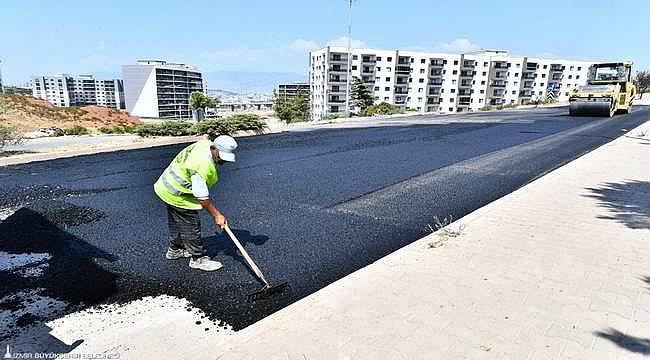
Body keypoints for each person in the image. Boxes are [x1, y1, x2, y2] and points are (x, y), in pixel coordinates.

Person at [153, 135, 238, 271]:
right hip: (177, 193)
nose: (223, 160)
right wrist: (217, 215)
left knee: (177, 222)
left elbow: (205, 138)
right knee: (190, 225)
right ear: (213, 148)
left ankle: (175, 249)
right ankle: (198, 258)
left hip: (166, 187)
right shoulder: (201, 165)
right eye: (221, 156)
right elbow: (202, 197)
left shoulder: (204, 144)